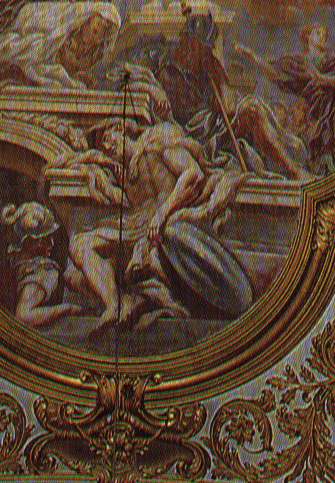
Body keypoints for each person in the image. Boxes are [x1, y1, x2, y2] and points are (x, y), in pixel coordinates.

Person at [62, 118, 249, 330]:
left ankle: (131, 301)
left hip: (166, 219)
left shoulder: (156, 142)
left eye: (107, 138)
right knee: (78, 250)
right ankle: (118, 304)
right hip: (136, 226)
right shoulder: (124, 172)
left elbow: (193, 175)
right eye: (101, 147)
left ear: (121, 129)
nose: (106, 147)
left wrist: (162, 213)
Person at [233, 22, 335, 165]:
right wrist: (252, 56)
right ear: (307, 36)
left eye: (324, 35)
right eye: (318, 33)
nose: (322, 37)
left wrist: (321, 78)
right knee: (321, 143)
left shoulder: (333, 59)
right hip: (320, 110)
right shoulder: (298, 63)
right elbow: (276, 74)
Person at [0, 202, 86, 328]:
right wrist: (67, 308)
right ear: (29, 242)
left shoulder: (13, 263)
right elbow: (23, 316)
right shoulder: (43, 270)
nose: (51, 243)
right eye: (45, 239)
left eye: (51, 237)